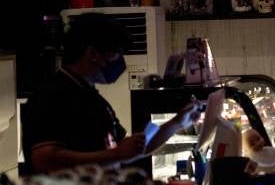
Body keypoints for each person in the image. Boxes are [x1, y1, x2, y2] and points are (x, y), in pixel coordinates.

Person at [21, 13, 201, 174]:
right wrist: (115, 155)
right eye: (116, 53)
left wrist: (178, 122)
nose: (120, 62)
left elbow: (134, 149)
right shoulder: (51, 96)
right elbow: (44, 160)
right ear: (93, 53)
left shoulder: (93, 98)